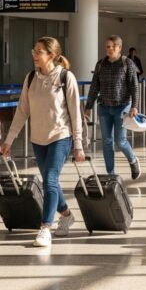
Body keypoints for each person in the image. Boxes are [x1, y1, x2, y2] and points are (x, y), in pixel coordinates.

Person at [0, 37, 85, 247]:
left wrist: (79, 145)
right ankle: (66, 214)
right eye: (34, 50)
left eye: (39, 51)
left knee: (49, 179)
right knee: (51, 183)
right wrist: (8, 140)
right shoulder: (30, 78)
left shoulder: (66, 78)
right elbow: (21, 112)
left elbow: (76, 114)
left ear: (52, 55)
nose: (34, 54)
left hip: (61, 136)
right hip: (38, 139)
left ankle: (45, 228)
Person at [85, 35, 141, 180]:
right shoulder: (100, 64)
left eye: (113, 46)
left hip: (122, 107)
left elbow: (134, 86)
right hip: (104, 108)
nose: (109, 49)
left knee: (120, 140)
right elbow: (94, 86)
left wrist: (134, 106)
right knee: (107, 141)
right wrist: (88, 106)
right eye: (107, 47)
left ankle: (133, 160)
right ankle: (111, 173)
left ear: (119, 48)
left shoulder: (127, 63)